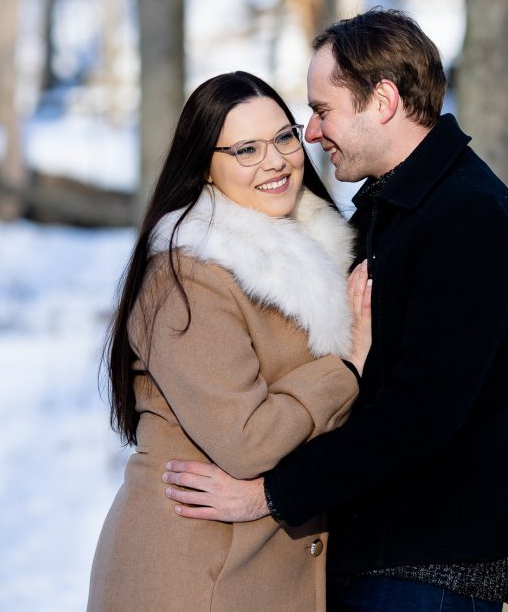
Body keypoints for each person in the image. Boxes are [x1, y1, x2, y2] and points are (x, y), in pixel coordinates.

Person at [162, 9, 508, 611]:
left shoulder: (468, 220)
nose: (311, 134)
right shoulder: (392, 208)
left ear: (383, 100)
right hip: (370, 554)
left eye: (321, 111)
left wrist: (268, 495)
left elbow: (420, 413)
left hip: (425, 569)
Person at [87, 71, 372, 612]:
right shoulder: (188, 277)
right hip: (195, 573)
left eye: (284, 137)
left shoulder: (315, 254)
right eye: (246, 149)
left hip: (256, 568)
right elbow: (246, 441)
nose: (276, 161)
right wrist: (347, 369)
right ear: (205, 169)